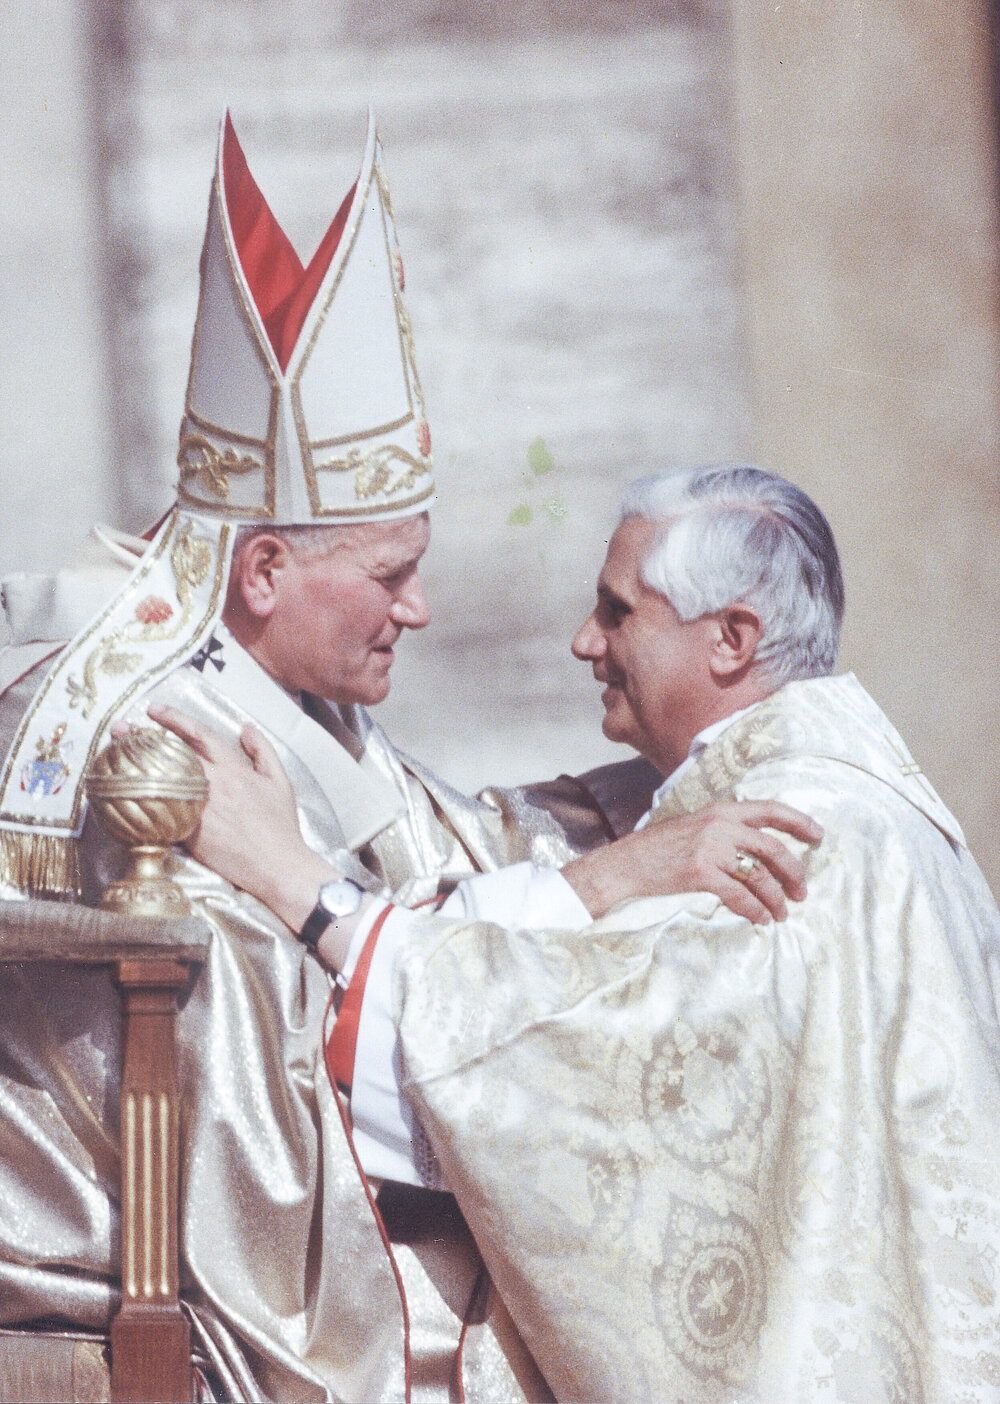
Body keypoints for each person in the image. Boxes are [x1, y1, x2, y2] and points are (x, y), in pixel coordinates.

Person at [0, 118, 816, 1401]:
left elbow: (442, 849)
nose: (420, 608)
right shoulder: (151, 746)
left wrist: (665, 776)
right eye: (391, 573)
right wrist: (611, 886)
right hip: (185, 1278)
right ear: (263, 572)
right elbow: (288, 1075)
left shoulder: (280, 689)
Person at [163, 463, 1000, 1403]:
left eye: (617, 612)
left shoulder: (790, 845)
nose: (582, 641)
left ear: (731, 639)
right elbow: (508, 858)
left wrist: (297, 883)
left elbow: (549, 1073)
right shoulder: (839, 791)